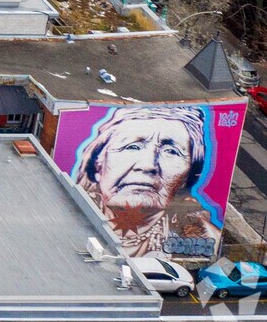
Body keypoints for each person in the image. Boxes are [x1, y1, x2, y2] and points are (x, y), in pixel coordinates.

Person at [70, 103, 220, 256]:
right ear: (97, 165)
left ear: (187, 178)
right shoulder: (64, 213)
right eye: (132, 147)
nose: (148, 165)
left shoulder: (203, 238)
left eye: (171, 151)